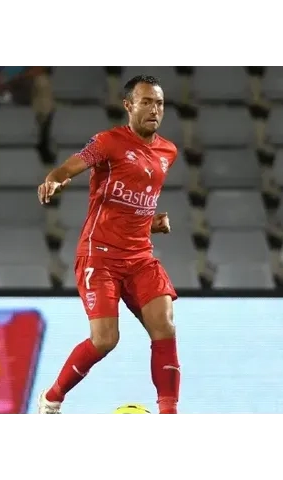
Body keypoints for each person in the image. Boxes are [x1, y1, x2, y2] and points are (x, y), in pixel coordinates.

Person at [36, 75, 181, 415]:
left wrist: (151, 222)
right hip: (99, 255)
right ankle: (52, 398)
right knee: (105, 340)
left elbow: (135, 200)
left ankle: (169, 414)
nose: (154, 110)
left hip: (140, 256)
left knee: (165, 326)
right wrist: (54, 181)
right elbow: (67, 168)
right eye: (146, 102)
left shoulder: (168, 151)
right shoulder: (108, 142)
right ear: (129, 105)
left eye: (159, 103)